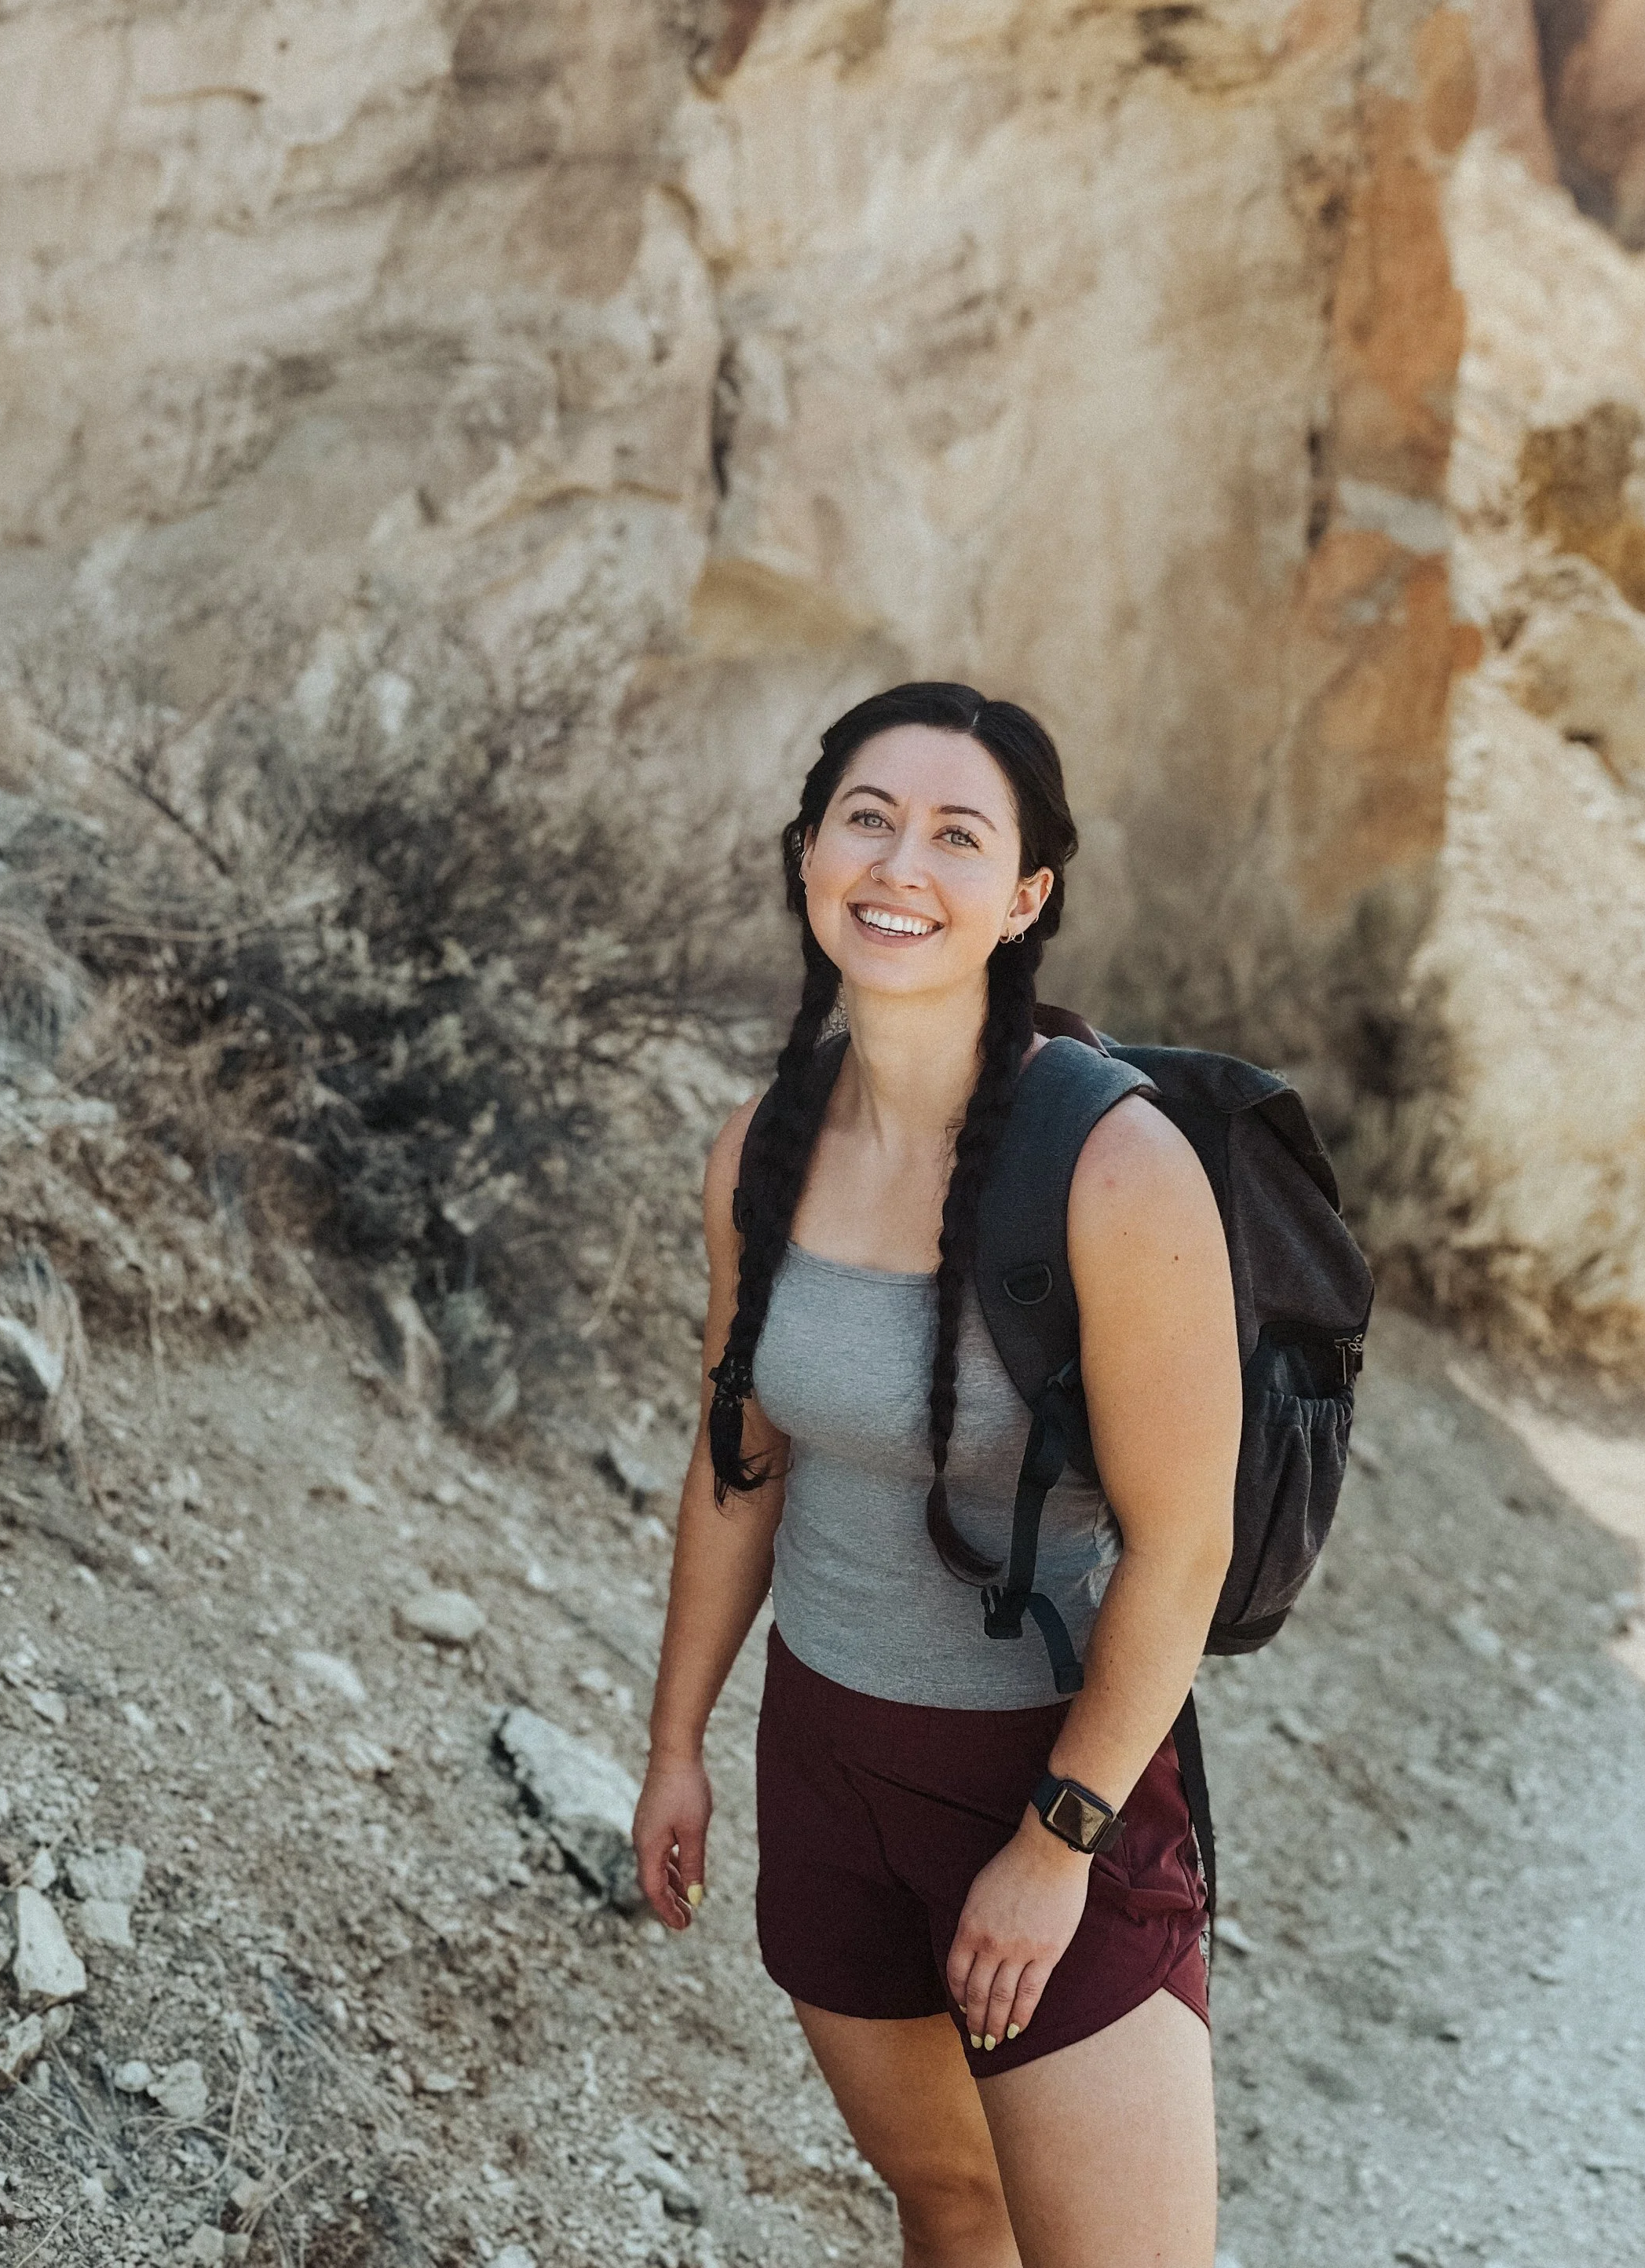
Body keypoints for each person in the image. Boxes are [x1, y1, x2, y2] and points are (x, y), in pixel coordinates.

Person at [632, 684, 1243, 2268]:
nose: (902, 863)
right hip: (826, 1765)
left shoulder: (1115, 1166)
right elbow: (740, 1459)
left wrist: (1056, 1849)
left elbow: (1183, 1546)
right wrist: (678, 1740)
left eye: (959, 835)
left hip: (1051, 1777)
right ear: (812, 852)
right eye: (867, 818)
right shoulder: (762, 1145)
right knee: (950, 2209)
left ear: (1024, 895)